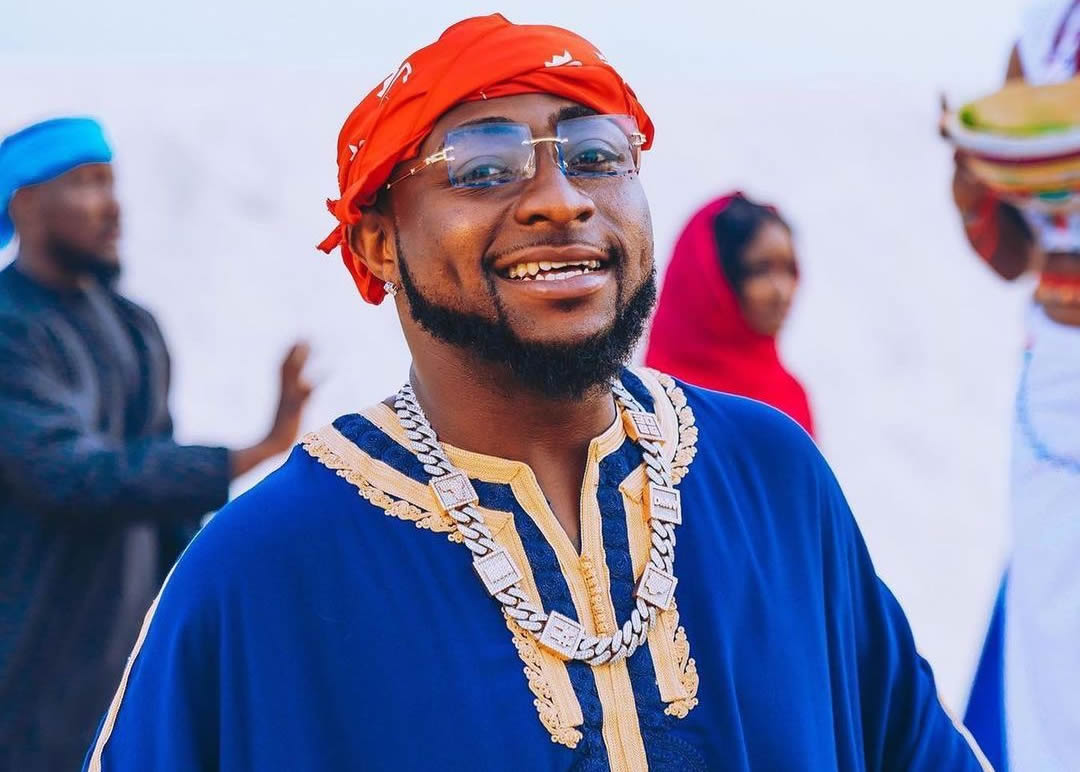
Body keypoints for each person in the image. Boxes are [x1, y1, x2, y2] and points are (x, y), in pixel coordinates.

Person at [86, 16, 988, 771]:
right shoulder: (262, 567)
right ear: (376, 243)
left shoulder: (768, 474)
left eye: (597, 156)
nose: (561, 200)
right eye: (483, 169)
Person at [0, 116, 313, 770]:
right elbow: (67, 475)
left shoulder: (134, 326)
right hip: (27, 672)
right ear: (24, 202)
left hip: (122, 671)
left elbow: (167, 512)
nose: (112, 205)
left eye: (111, 181)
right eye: (86, 183)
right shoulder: (9, 327)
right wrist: (248, 454)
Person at [951, 2, 1080, 770]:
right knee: (1055, 609)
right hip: (1060, 373)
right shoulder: (1041, 37)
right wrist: (974, 181)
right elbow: (1012, 255)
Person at [645, 192, 814, 436]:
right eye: (760, 270)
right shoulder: (658, 403)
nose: (782, 291)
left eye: (789, 270)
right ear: (712, 281)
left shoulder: (789, 398)